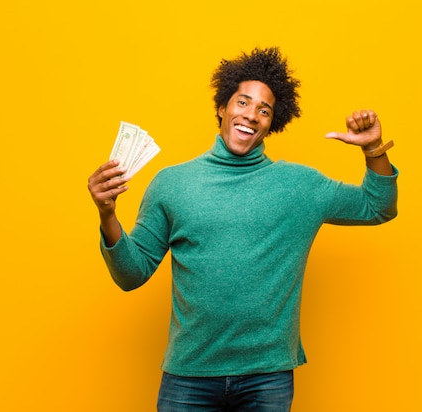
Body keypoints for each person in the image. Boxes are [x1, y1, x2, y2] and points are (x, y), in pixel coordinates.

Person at [87, 47, 398, 411]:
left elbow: (378, 207)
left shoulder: (299, 186)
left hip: (267, 376)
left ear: (272, 122)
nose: (251, 115)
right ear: (222, 107)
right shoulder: (172, 184)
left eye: (264, 110)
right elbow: (131, 274)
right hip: (189, 376)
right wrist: (107, 214)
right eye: (243, 102)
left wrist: (374, 149)